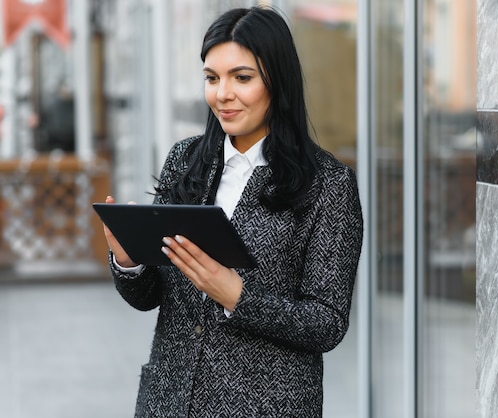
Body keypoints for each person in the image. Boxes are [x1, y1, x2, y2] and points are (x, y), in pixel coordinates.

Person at [102, 6, 363, 418]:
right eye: (211, 78)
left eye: (242, 77)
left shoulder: (328, 185)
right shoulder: (184, 160)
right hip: (169, 402)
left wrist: (238, 297)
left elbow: (327, 323)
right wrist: (129, 259)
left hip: (267, 407)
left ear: (277, 81)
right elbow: (150, 296)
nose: (222, 93)